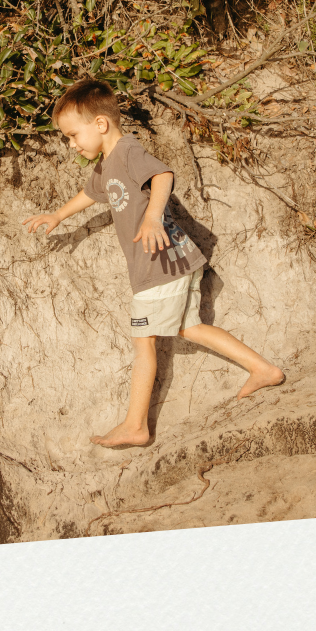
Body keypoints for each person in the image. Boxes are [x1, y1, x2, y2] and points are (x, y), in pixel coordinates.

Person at [22, 80, 284, 447]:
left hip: (158, 265)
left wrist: (152, 217)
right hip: (175, 262)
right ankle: (263, 369)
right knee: (189, 328)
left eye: (72, 135)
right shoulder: (106, 166)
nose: (71, 144)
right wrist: (58, 216)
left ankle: (135, 426)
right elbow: (90, 193)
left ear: (100, 124)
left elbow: (163, 175)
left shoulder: (127, 151)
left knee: (143, 341)